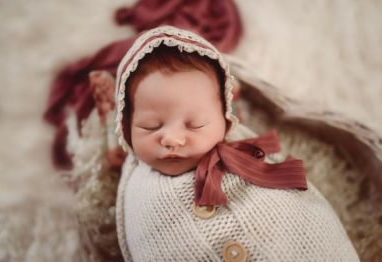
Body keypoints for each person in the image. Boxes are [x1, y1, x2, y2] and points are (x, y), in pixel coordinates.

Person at [114, 26, 359, 261]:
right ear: (125, 127)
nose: (172, 140)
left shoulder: (244, 151)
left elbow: (292, 215)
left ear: (226, 118)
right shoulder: (138, 187)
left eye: (196, 124)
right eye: (151, 126)